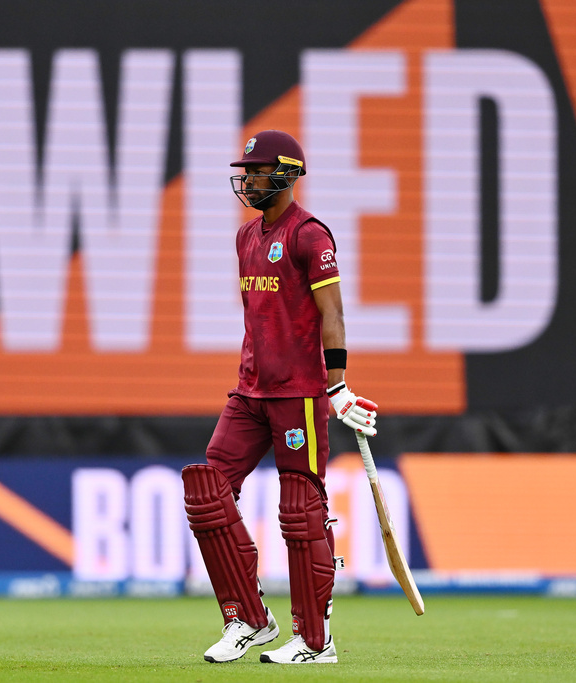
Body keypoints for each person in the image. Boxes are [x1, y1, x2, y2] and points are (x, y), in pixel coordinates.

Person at [182, 129, 378, 664]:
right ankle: (248, 617)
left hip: (300, 394)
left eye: (256, 171)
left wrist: (336, 386)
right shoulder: (246, 237)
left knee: (300, 508)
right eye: (244, 172)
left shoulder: (310, 235)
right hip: (250, 390)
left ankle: (316, 641)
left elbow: (332, 315)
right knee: (207, 492)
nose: (246, 180)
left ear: (286, 174)